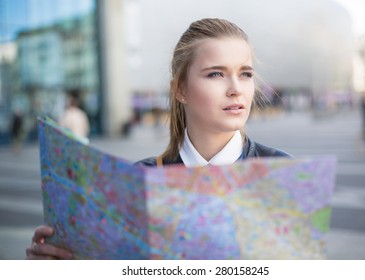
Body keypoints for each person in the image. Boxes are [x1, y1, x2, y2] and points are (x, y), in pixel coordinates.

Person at [26, 18, 290, 259]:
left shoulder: (281, 173)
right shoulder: (136, 183)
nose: (236, 89)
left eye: (245, 73)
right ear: (181, 90)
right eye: (216, 74)